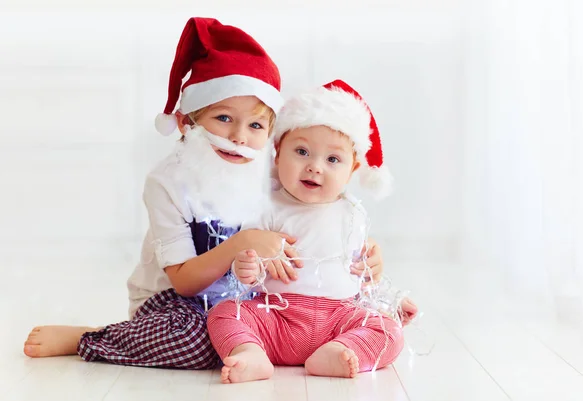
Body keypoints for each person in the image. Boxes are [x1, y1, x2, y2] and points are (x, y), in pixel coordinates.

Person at [23, 18, 386, 370]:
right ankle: (94, 337)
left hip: (249, 304)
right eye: (224, 118)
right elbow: (183, 279)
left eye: (256, 125)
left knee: (301, 328)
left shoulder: (272, 170)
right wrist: (242, 243)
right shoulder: (167, 184)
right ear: (186, 122)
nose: (239, 137)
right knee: (200, 342)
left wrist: (366, 255)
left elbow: (317, 219)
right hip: (178, 303)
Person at [207, 80, 418, 383]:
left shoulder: (353, 214)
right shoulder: (267, 207)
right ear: (277, 154)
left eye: (333, 159)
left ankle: (342, 352)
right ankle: (251, 353)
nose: (315, 167)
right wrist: (246, 267)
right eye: (302, 151)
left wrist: (392, 301)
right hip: (276, 317)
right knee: (224, 313)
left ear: (353, 169)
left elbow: (362, 274)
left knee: (389, 331)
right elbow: (247, 268)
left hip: (338, 319)